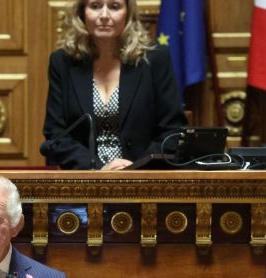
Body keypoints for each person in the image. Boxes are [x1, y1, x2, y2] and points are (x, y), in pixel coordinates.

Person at [42, 0, 188, 170]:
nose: (104, 16)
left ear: (128, 13)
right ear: (82, 12)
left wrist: (135, 168)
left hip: (144, 181)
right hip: (84, 181)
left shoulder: (155, 59)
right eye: (95, 6)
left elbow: (173, 131)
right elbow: (56, 134)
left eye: (114, 6)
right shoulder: (62, 62)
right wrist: (99, 168)